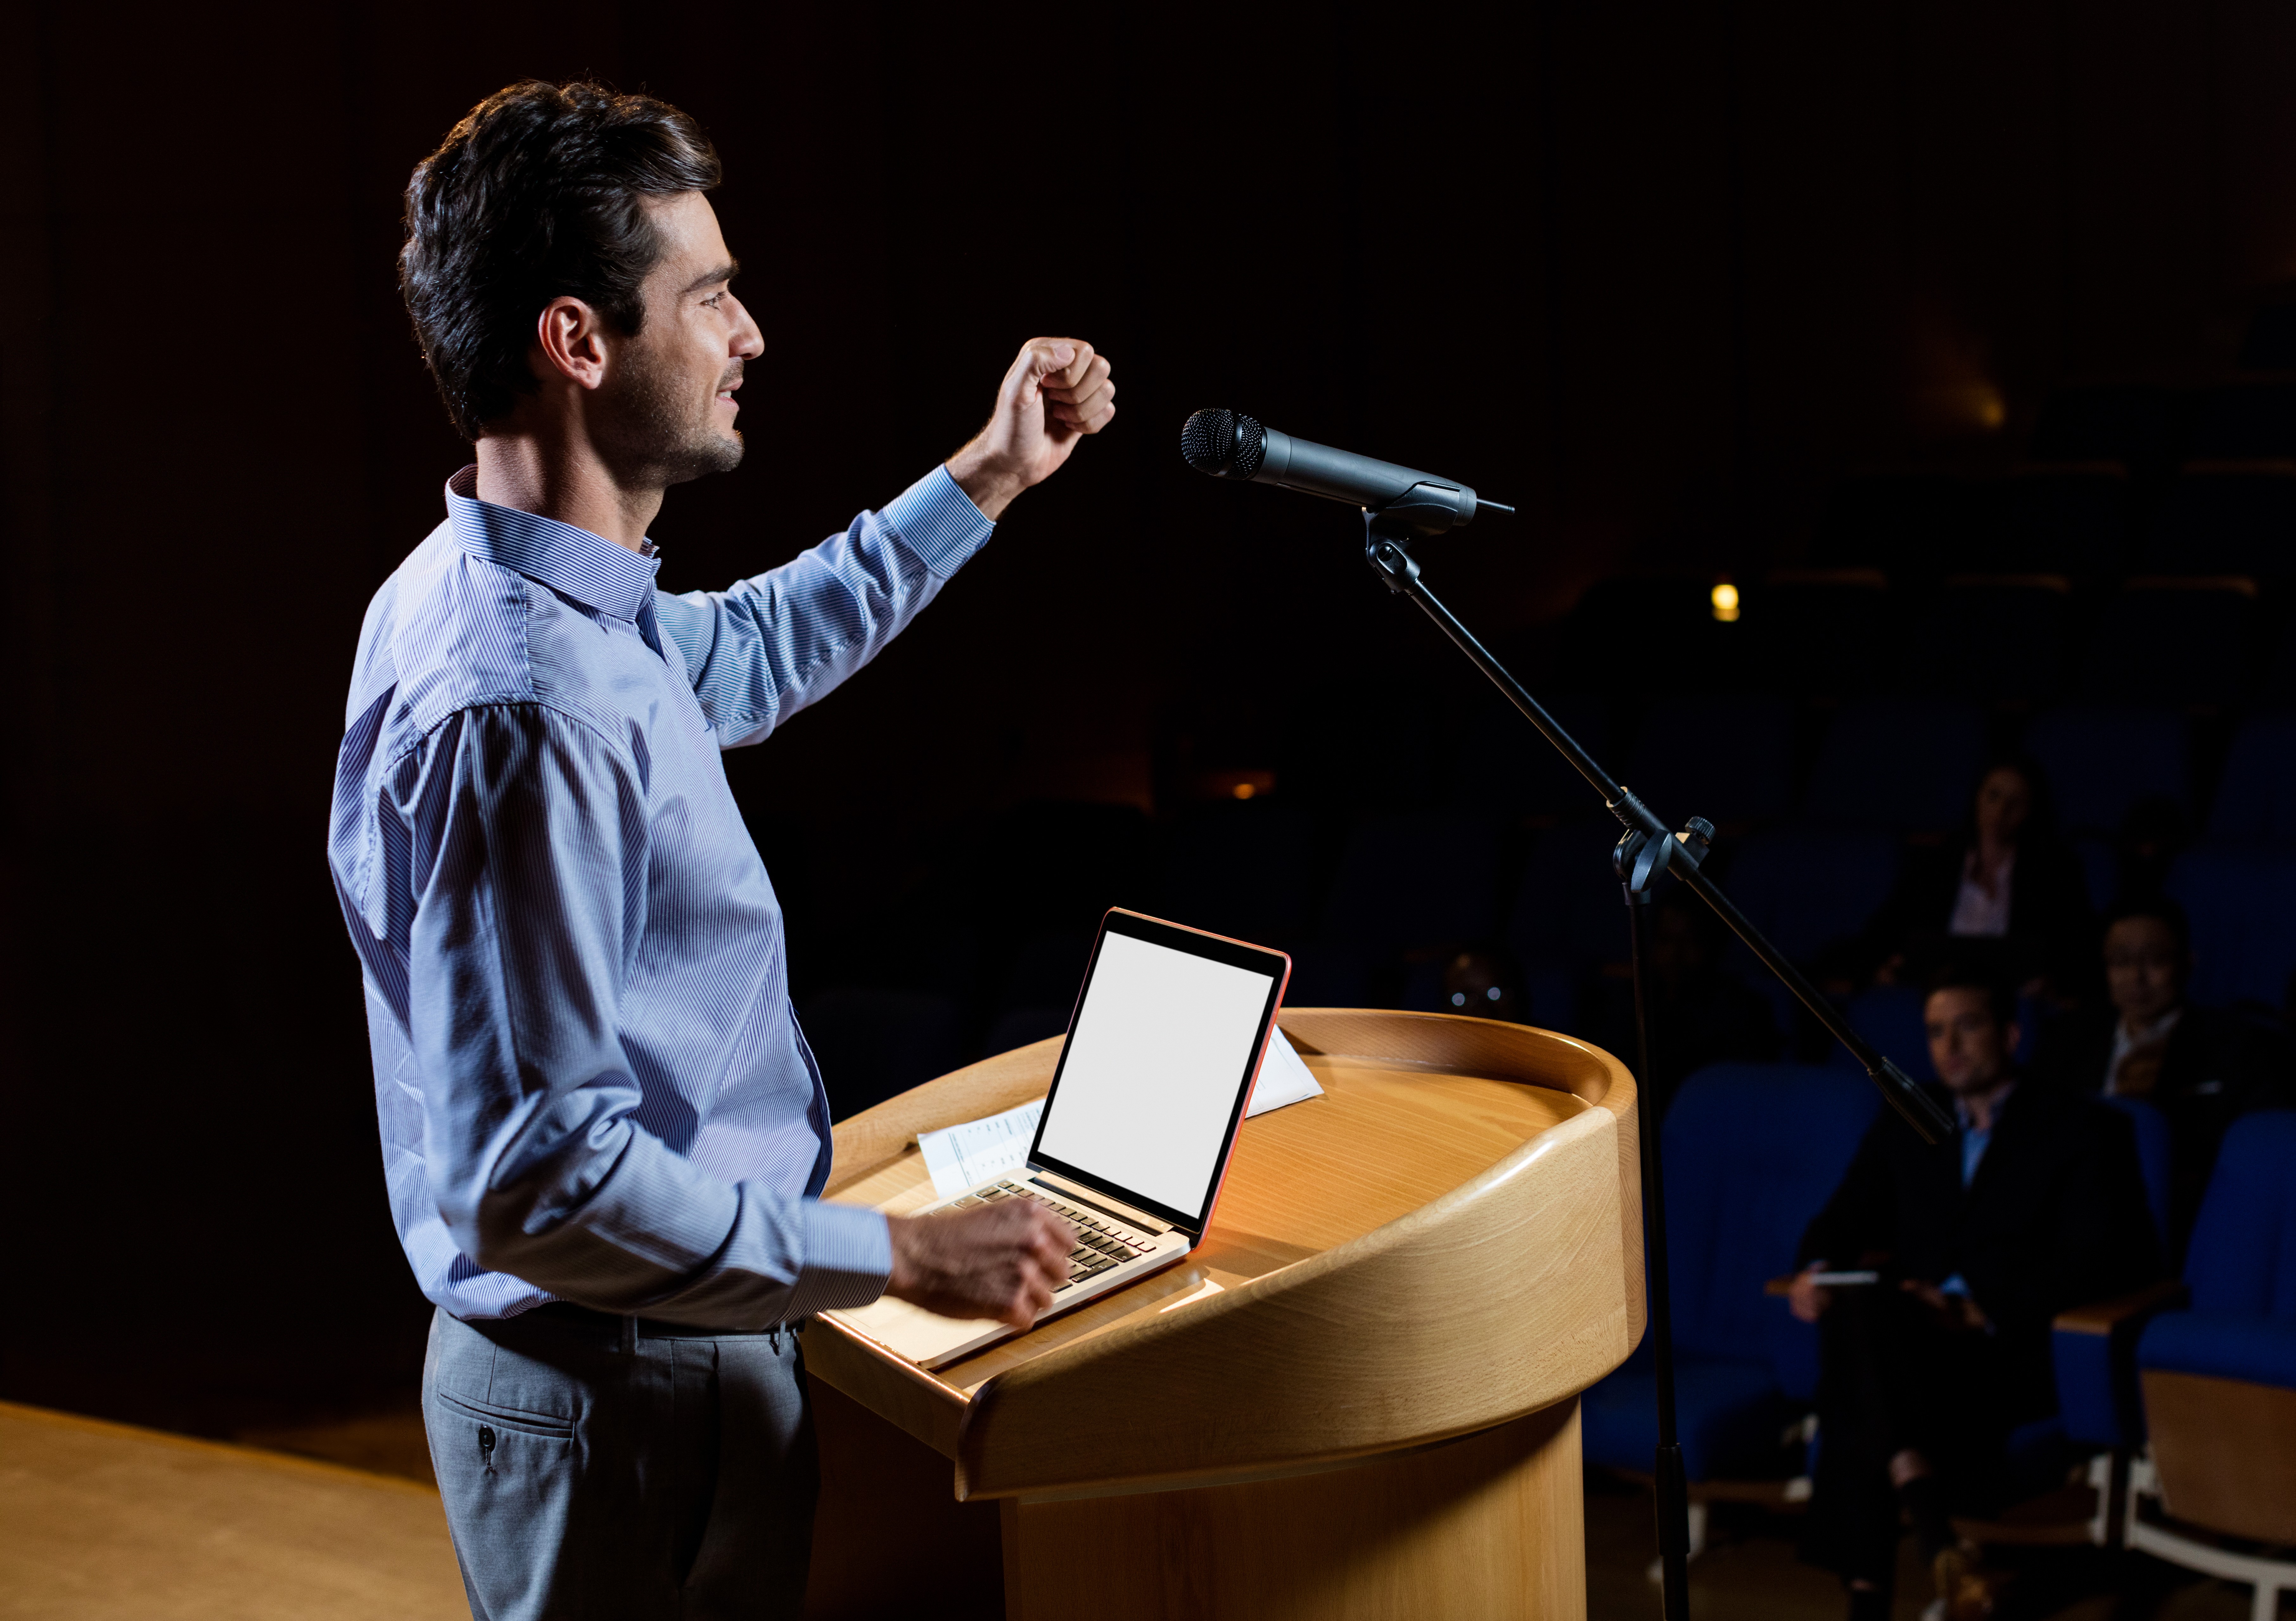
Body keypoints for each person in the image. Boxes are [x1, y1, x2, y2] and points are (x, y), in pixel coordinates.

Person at [325, 82, 1115, 1619]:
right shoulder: (523, 710)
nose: (749, 333)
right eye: (711, 295)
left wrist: (991, 476)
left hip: (643, 1366)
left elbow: (740, 656)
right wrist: (888, 1255)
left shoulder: (510, 588)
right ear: (578, 341)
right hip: (626, 1390)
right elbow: (537, 1183)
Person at [1786, 970, 2160, 1621]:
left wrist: (1978, 1304)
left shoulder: (2082, 1127)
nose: (1949, 1044)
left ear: (2011, 1033)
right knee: (1863, 1312)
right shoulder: (1909, 1117)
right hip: (1913, 1344)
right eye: (1936, 1030)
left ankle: (1872, 1594)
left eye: (1969, 1024)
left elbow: (2103, 1259)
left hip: (2007, 1350)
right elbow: (1840, 1220)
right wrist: (1814, 1267)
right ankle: (1935, 1538)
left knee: (1857, 1362)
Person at [2034, 897, 2296, 1256]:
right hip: (2071, 1219)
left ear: (2188, 962)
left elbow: (2260, 1158)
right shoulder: (2067, 1039)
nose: (2136, 977)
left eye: (2155, 960)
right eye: (2121, 962)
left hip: (2188, 1226)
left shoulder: (2239, 1047)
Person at [1852, 760, 2095, 997]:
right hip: (1931, 1000)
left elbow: (2076, 950)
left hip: (2014, 1007)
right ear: (1977, 797)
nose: (2001, 811)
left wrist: (2053, 983)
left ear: (2032, 810)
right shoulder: (1935, 867)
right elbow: (1882, 934)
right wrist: (1881, 970)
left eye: (2016, 802)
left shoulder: (2054, 874)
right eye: (1993, 796)